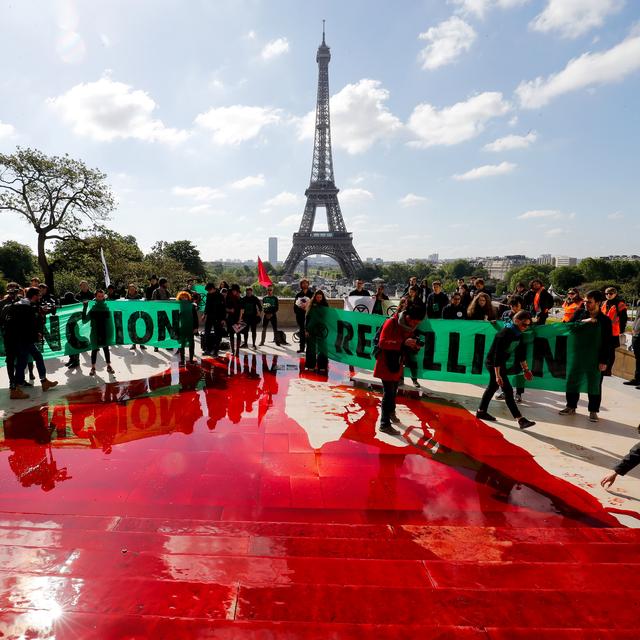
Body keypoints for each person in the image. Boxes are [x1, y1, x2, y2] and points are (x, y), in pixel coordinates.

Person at [559, 290, 616, 422]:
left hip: (595, 358)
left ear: (598, 302)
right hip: (577, 354)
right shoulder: (580, 313)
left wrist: (604, 361)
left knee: (594, 383)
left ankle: (593, 410)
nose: (586, 304)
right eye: (585, 302)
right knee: (573, 380)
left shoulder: (605, 321)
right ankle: (571, 406)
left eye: (589, 302)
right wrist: (586, 321)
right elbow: (569, 327)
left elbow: (608, 342)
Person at [476, 310, 536, 430]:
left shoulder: (518, 334)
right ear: (516, 321)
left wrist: (526, 370)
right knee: (507, 390)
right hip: (493, 363)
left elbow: (520, 354)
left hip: (500, 364)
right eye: (524, 324)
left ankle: (481, 411)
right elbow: (497, 356)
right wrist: (498, 375)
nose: (526, 327)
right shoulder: (504, 334)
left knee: (493, 387)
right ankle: (520, 419)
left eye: (528, 325)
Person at [373, 305, 426, 435]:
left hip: (397, 362)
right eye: (414, 322)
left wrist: (414, 345)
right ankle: (384, 424)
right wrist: (403, 342)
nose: (415, 325)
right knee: (388, 393)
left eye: (418, 323)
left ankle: (391, 413)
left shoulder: (409, 326)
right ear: (407, 317)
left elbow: (406, 345)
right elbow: (382, 343)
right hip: (385, 362)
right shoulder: (391, 322)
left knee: (394, 390)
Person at [8, 287, 58, 397]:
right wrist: (35, 334)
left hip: (22, 338)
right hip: (23, 338)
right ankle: (17, 386)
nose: (40, 297)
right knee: (26, 359)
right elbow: (27, 324)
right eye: (39, 295)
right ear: (34, 296)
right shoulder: (25, 306)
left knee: (24, 360)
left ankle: (25, 381)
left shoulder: (22, 304)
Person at [497, 295, 526, 403]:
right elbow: (502, 326)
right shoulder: (505, 314)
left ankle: (519, 393)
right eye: (512, 306)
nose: (514, 308)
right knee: (503, 369)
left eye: (517, 306)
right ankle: (505, 391)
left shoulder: (525, 315)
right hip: (505, 346)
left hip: (519, 345)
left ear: (521, 305)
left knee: (519, 369)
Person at [1, 283, 26, 399]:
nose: (12, 292)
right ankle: (13, 385)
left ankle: (16, 383)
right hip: (10, 336)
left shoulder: (22, 302)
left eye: (14, 290)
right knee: (11, 360)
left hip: (19, 336)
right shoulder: (3, 304)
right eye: (10, 291)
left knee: (21, 358)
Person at [81, 289, 115, 376]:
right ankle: (93, 368)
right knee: (94, 350)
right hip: (95, 333)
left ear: (104, 296)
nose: (100, 298)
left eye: (102, 296)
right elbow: (84, 321)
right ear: (95, 297)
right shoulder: (93, 309)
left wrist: (111, 335)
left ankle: (109, 366)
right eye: (99, 296)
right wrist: (84, 307)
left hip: (105, 332)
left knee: (106, 349)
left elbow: (111, 323)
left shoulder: (107, 308)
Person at [305, 290, 329, 372]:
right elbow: (307, 318)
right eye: (317, 297)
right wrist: (306, 329)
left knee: (322, 349)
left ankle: (322, 366)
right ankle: (310, 365)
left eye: (320, 297)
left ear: (322, 298)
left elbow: (328, 318)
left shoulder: (325, 306)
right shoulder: (311, 306)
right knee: (310, 349)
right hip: (311, 329)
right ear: (315, 297)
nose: (319, 299)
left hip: (321, 329)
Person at [175, 291, 199, 365]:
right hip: (181, 327)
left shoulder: (192, 306)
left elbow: (195, 317)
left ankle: (191, 360)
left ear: (188, 297)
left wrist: (196, 327)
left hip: (190, 327)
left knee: (191, 344)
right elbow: (175, 318)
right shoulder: (177, 306)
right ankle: (182, 360)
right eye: (182, 297)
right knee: (181, 344)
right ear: (179, 298)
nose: (184, 298)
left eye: (185, 297)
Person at [202, 282, 225, 356]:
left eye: (209, 290)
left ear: (212, 289)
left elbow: (223, 308)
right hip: (209, 317)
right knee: (206, 333)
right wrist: (204, 314)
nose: (208, 292)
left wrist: (223, 319)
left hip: (218, 317)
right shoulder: (209, 295)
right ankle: (207, 349)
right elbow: (207, 305)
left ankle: (216, 351)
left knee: (218, 334)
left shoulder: (220, 296)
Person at [294, 279, 312, 354]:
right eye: (303, 283)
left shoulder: (312, 294)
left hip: (309, 316)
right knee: (302, 332)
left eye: (306, 283)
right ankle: (301, 348)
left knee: (309, 332)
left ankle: (310, 348)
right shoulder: (298, 295)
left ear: (308, 284)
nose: (305, 285)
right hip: (300, 316)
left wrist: (307, 308)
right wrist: (301, 309)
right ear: (301, 285)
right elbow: (295, 306)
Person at [623, 311, 640, 388]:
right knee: (638, 358)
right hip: (636, 334)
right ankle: (637, 379)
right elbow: (637, 318)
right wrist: (633, 329)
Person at [225, 284, 243, 355]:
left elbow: (242, 310)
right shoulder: (228, 299)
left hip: (238, 318)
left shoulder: (240, 299)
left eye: (236, 291)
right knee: (231, 334)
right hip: (230, 319)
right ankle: (232, 350)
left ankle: (238, 350)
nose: (234, 292)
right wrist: (230, 310)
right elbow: (225, 308)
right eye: (233, 291)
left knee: (238, 334)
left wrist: (239, 319)